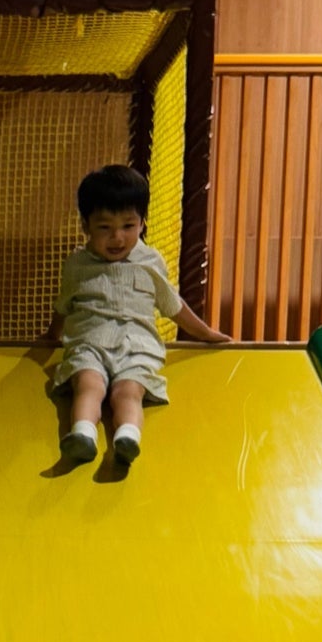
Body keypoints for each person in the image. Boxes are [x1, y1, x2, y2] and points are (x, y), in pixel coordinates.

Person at [45, 164, 232, 466]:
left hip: (136, 346)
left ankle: (127, 437)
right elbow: (64, 305)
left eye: (128, 226)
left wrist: (206, 334)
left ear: (142, 223)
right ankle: (82, 434)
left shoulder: (149, 261)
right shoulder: (77, 264)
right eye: (104, 227)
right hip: (90, 343)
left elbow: (173, 305)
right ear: (85, 225)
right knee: (88, 383)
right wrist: (51, 336)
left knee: (128, 391)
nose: (117, 237)